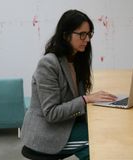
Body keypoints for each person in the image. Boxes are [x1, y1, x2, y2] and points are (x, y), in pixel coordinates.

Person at [21, 9, 116, 160]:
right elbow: (51, 113)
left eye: (89, 34)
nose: (87, 39)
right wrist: (86, 99)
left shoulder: (76, 59)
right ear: (66, 35)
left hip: (67, 124)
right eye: (82, 34)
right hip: (46, 133)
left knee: (104, 132)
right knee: (97, 142)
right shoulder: (48, 64)